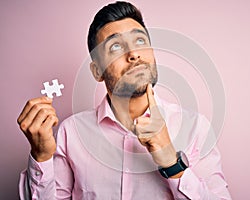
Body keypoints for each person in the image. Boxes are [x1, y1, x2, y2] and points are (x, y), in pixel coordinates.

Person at [17, 1, 231, 199]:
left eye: (140, 40)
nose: (134, 54)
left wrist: (171, 162)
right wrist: (42, 156)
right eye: (116, 47)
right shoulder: (70, 133)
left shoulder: (195, 128)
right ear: (97, 71)